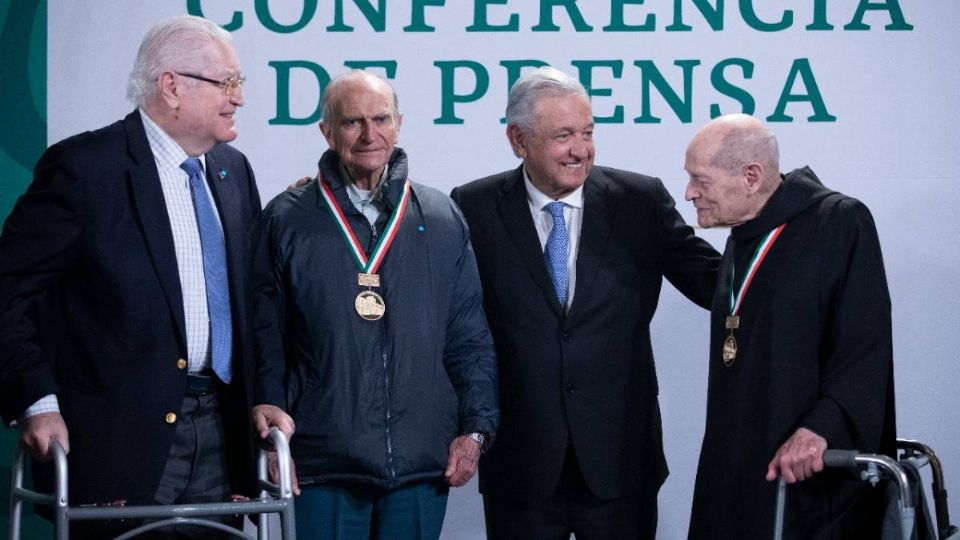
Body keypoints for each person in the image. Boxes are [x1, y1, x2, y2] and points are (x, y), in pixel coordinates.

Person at [0, 15, 260, 537]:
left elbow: (257, 304)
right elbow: (8, 292)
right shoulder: (85, 169)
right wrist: (37, 401)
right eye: (226, 82)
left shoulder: (233, 171)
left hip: (221, 434)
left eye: (240, 83)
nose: (239, 98)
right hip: (118, 438)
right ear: (172, 86)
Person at [450, 66, 720, 539]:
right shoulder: (473, 208)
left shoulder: (640, 202)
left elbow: (714, 284)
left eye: (588, 132)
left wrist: (774, 230)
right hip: (522, 465)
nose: (581, 149)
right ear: (518, 140)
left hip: (619, 461)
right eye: (563, 135)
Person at [251, 70, 499, 539]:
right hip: (323, 465)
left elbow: (470, 337)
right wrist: (269, 441)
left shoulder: (442, 217)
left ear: (399, 124)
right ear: (327, 132)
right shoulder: (287, 219)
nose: (370, 135)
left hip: (420, 467)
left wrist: (476, 429)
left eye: (381, 118)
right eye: (352, 122)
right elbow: (264, 338)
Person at [683, 114, 896, 539]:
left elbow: (864, 345)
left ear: (751, 175)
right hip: (736, 474)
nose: (689, 193)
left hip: (809, 481)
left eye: (700, 180)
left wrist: (821, 428)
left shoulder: (838, 222)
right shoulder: (746, 234)